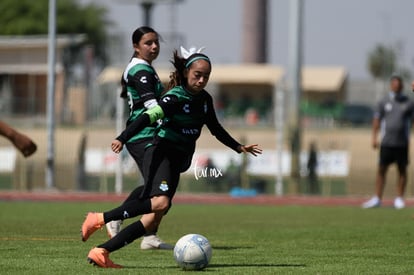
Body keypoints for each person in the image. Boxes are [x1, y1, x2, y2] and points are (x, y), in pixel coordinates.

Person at [80, 50, 262, 268]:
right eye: (197, 74)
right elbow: (148, 117)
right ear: (186, 73)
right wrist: (123, 137)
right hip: (162, 152)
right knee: (161, 202)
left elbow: (215, 128)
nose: (201, 79)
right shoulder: (174, 97)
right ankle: (100, 218)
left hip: (178, 160)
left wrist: (238, 147)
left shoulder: (205, 100)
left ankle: (102, 251)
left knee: (151, 220)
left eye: (206, 76)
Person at [105, 26, 171, 250]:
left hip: (150, 134)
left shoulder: (144, 68)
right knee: (158, 191)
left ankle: (150, 235)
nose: (154, 46)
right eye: (148, 43)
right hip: (142, 135)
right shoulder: (140, 70)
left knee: (159, 188)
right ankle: (117, 217)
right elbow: (152, 105)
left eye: (156, 42)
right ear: (136, 46)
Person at [362, 75, 414, 209]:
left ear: (402, 86)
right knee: (381, 169)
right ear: (391, 85)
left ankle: (399, 199)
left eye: (398, 84)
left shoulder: (408, 102)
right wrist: (374, 137)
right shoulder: (383, 102)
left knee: (402, 170)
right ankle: (377, 198)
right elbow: (376, 120)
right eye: (394, 84)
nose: (396, 86)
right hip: (386, 143)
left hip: (402, 143)